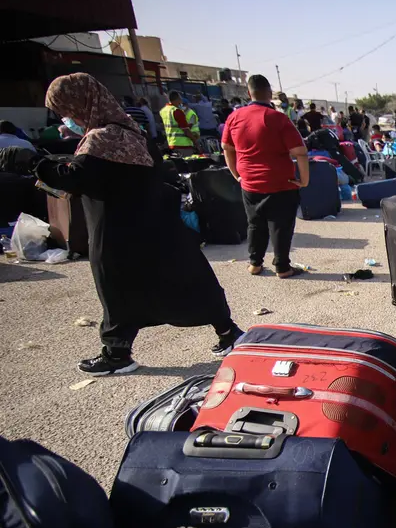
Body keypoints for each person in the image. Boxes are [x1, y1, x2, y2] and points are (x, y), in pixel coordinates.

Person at [23, 73, 242, 375]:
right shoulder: (132, 131)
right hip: (157, 227)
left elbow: (75, 178)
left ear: (80, 103)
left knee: (118, 289)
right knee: (189, 277)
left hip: (117, 232)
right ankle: (228, 332)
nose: (66, 117)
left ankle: (117, 353)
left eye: (67, 108)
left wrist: (35, 162)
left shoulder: (101, 139)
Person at [221, 74, 309, 279]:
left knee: (254, 223)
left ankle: (255, 263)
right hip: (280, 182)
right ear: (269, 93)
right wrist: (304, 180)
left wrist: (236, 174)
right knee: (280, 225)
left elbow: (227, 148)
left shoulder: (234, 117)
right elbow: (300, 151)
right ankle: (282, 267)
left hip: (249, 183)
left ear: (248, 93)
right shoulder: (276, 118)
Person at [159, 91, 200, 155]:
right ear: (177, 99)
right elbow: (186, 130)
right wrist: (196, 142)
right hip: (183, 145)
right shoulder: (177, 111)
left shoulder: (163, 111)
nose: (181, 102)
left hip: (171, 143)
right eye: (180, 99)